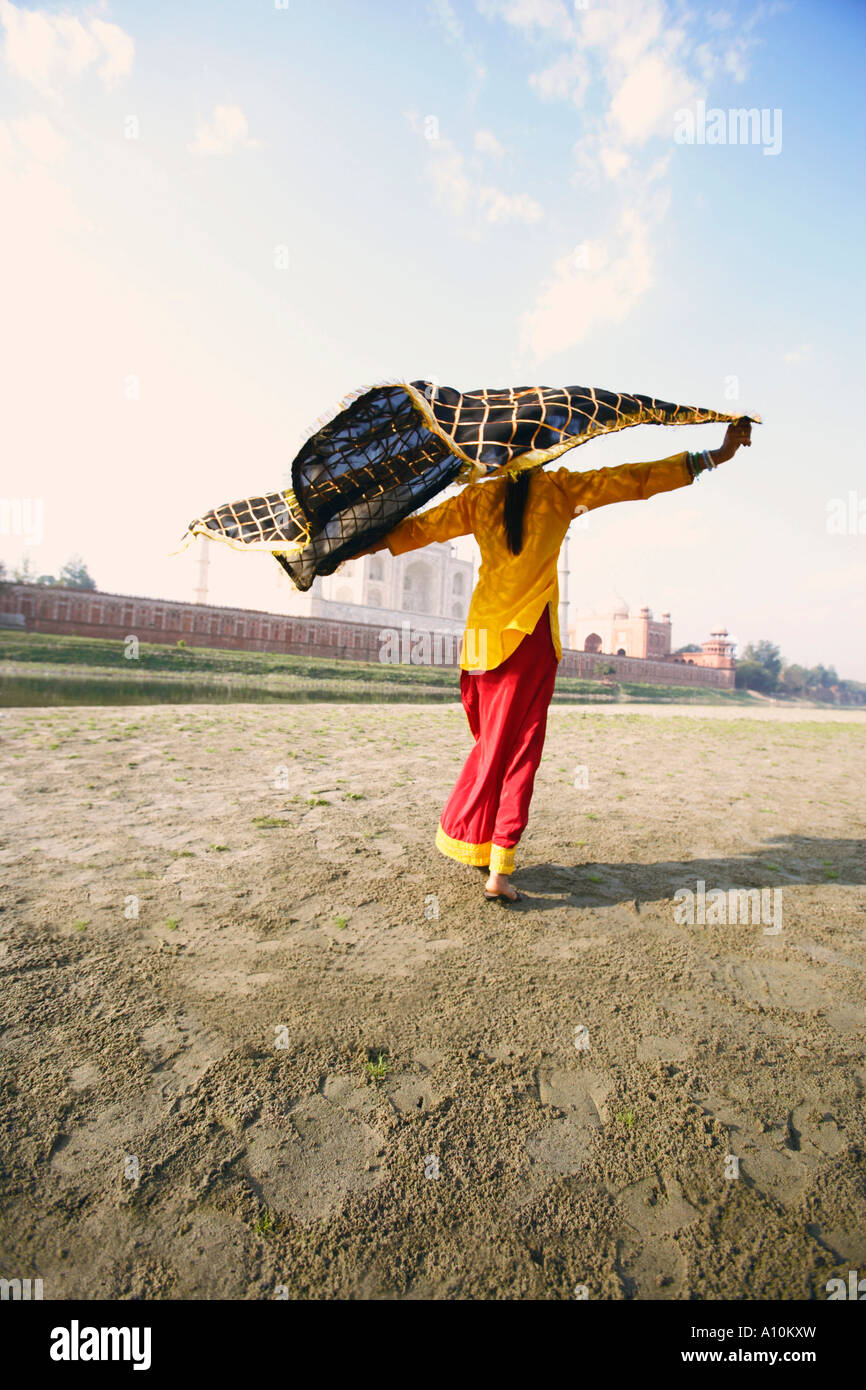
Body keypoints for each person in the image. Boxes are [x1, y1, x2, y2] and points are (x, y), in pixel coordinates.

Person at [361, 420, 752, 902]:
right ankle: (497, 869)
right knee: (517, 750)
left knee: (491, 744)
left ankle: (478, 841)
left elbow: (416, 529)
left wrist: (349, 545)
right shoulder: (561, 489)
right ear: (544, 451)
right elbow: (635, 479)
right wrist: (712, 456)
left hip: (481, 641)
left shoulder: (478, 498)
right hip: (527, 641)